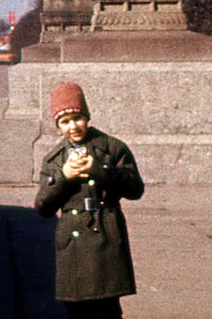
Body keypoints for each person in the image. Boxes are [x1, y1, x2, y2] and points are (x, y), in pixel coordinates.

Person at [34, 81, 145, 319]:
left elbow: (135, 189)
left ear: (87, 117)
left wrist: (101, 171)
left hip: (105, 233)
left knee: (106, 308)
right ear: (58, 125)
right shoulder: (54, 158)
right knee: (75, 309)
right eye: (65, 122)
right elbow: (43, 207)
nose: (73, 126)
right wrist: (64, 177)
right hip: (72, 242)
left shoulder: (112, 148)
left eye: (78, 118)